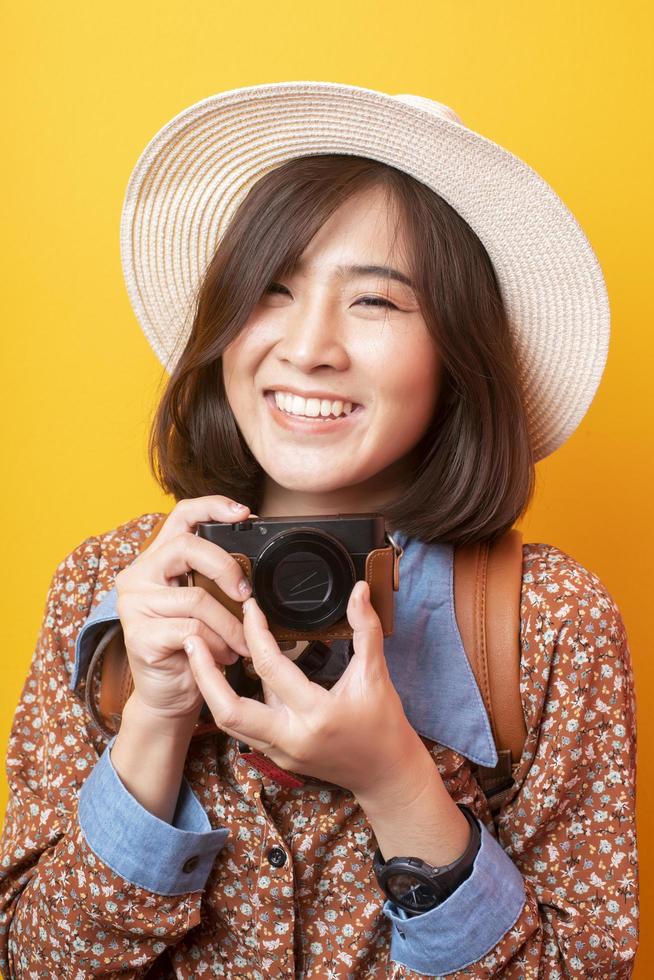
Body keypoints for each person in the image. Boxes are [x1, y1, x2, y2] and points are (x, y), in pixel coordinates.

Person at [0, 81, 638, 978]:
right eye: (271, 290)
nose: (308, 346)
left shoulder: (547, 624)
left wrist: (397, 781)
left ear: (457, 355)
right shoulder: (112, 585)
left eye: (375, 302)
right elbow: (30, 962)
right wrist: (153, 721)